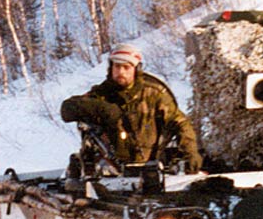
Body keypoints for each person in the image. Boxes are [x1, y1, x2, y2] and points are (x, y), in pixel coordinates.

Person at [60, 43, 204, 172]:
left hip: (150, 167)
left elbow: (180, 122)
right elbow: (67, 109)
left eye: (126, 67)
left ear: (136, 69)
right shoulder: (101, 94)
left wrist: (190, 152)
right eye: (117, 66)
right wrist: (103, 109)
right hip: (110, 171)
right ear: (111, 68)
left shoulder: (154, 94)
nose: (121, 72)